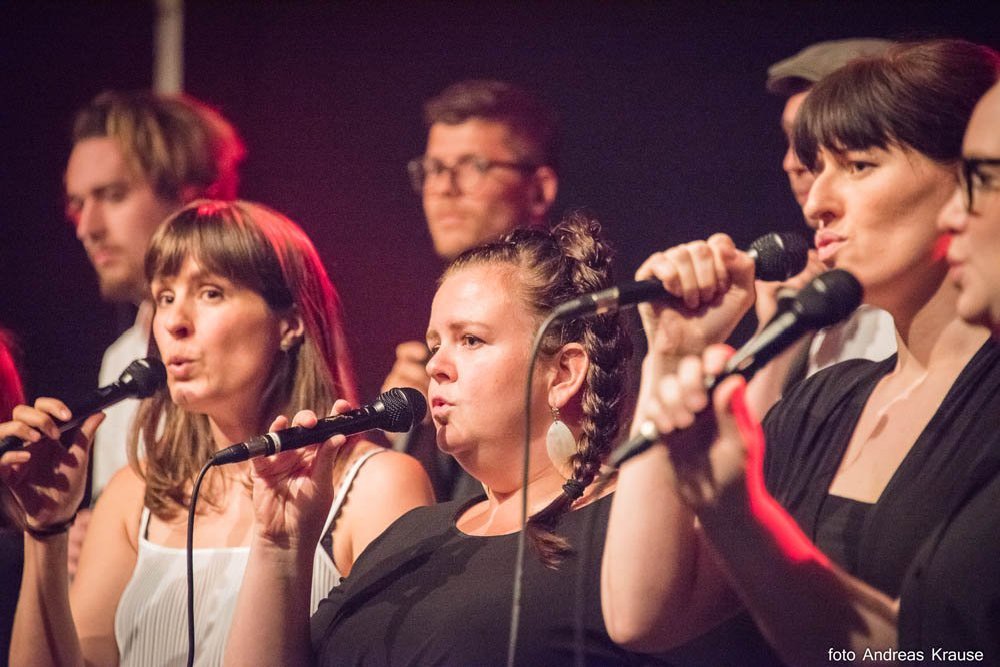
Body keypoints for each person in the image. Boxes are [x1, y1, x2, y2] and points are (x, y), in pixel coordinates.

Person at [602, 39, 1000, 665]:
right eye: (818, 169)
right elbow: (642, 615)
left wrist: (742, 515)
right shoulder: (824, 401)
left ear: (965, 182)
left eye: (860, 166)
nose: (816, 203)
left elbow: (941, 653)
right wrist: (675, 356)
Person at [0, 200, 433, 666]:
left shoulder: (376, 486)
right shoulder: (134, 495)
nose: (174, 322)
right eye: (165, 297)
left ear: (290, 323)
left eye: (210, 293)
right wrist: (46, 533)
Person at [224, 213, 657, 665]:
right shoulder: (410, 534)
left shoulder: (629, 527)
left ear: (563, 373)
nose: (436, 366)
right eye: (436, 345)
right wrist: (282, 545)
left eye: (470, 340)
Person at [67, 90, 246, 505]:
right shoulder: (122, 357)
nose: (87, 227)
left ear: (190, 196)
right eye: (78, 204)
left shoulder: (248, 341)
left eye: (113, 195)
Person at [388, 79, 561, 501]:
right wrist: (413, 434)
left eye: (474, 166)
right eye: (434, 169)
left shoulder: (580, 316)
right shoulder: (433, 336)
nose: (445, 188)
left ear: (539, 190)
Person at [749, 39, 897, 414]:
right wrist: (778, 328)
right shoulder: (817, 303)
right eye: (791, 140)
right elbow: (755, 445)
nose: (792, 163)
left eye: (815, 141)